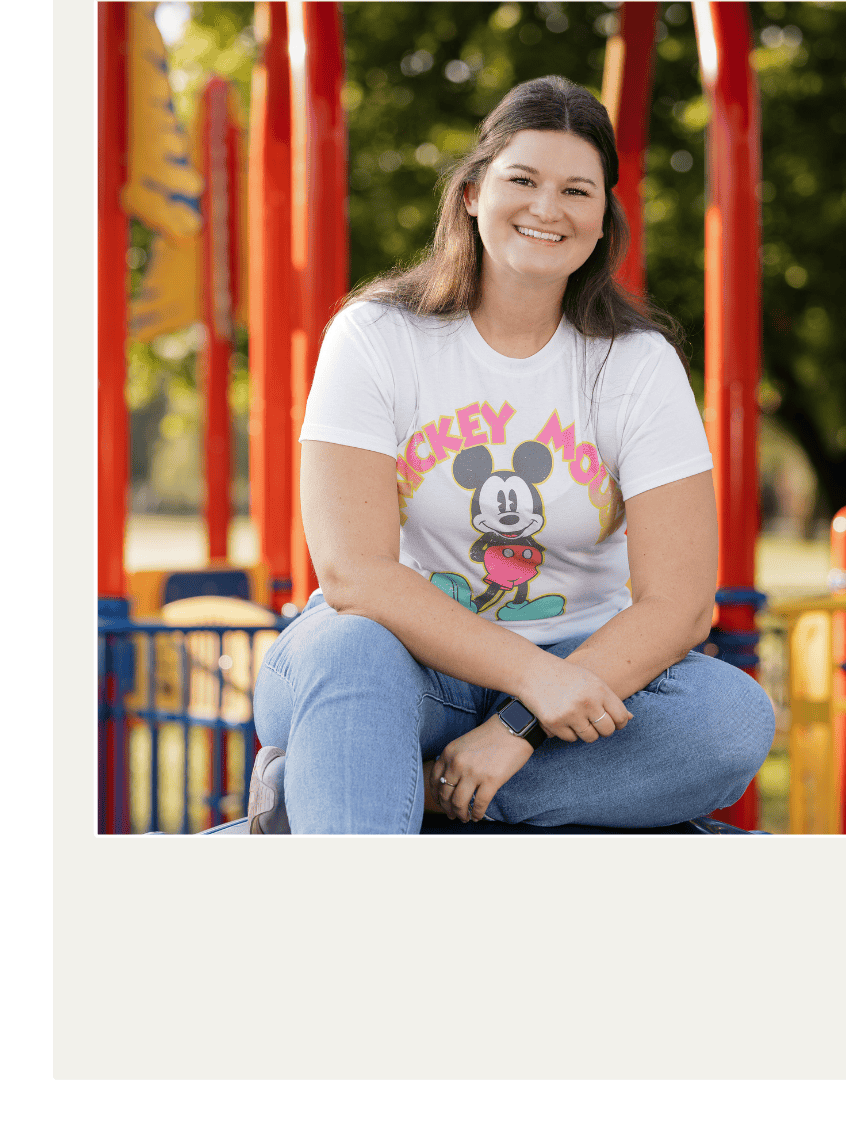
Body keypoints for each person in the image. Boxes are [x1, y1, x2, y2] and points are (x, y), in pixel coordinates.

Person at [252, 75, 774, 833]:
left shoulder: (637, 363)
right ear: (471, 191)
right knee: (349, 644)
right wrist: (532, 676)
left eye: (576, 190)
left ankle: (410, 787)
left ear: (603, 220)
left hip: (578, 674)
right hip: (400, 662)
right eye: (522, 179)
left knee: (728, 719)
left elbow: (681, 603)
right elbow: (353, 573)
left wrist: (518, 726)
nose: (546, 208)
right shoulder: (375, 336)